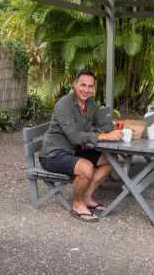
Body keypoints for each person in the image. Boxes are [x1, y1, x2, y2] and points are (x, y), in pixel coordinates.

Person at [40, 69, 122, 223]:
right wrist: (102, 136)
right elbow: (75, 136)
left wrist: (114, 130)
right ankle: (77, 205)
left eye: (90, 86)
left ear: (94, 88)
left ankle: (86, 196)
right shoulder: (64, 104)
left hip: (75, 150)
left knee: (110, 160)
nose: (86, 89)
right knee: (86, 168)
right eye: (83, 85)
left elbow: (103, 124)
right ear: (75, 84)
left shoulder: (90, 102)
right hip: (53, 153)